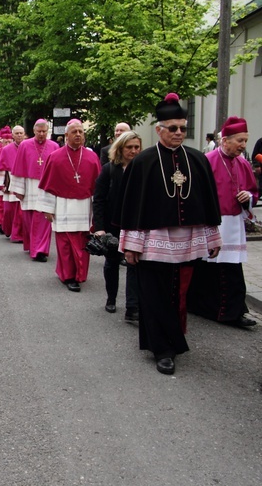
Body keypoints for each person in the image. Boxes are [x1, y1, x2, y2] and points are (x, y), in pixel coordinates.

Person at [116, 93, 222, 375]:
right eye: (172, 128)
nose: (178, 133)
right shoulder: (144, 162)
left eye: (182, 128)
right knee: (155, 295)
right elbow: (133, 208)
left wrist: (213, 238)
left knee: (180, 293)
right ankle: (162, 348)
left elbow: (208, 203)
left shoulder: (198, 160)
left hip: (187, 241)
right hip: (153, 243)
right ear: (159, 129)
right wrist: (131, 246)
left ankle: (174, 339)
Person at [187, 116, 258, 327]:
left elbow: (254, 191)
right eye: (240, 141)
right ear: (225, 140)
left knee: (232, 269)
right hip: (212, 223)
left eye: (246, 140)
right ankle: (203, 307)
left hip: (234, 224)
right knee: (208, 268)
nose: (243, 145)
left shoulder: (243, 163)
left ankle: (233, 312)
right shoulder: (207, 160)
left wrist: (249, 197)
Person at [37, 119, 101, 292]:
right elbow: (49, 185)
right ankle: (68, 276)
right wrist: (48, 209)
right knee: (65, 244)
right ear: (66, 135)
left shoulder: (92, 157)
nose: (78, 135)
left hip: (84, 208)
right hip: (62, 207)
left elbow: (98, 189)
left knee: (82, 243)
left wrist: (98, 213)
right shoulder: (56, 157)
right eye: (74, 132)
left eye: (81, 131)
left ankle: (80, 274)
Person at [93, 131, 142, 320]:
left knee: (134, 264)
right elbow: (98, 199)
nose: (134, 151)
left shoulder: (143, 168)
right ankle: (111, 298)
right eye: (129, 147)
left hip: (137, 225)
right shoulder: (109, 169)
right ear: (120, 149)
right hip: (114, 223)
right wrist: (99, 227)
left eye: (137, 147)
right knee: (112, 263)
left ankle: (132, 306)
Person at [11, 119, 59, 262]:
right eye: (39, 131)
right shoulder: (25, 145)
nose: (42, 134)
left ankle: (40, 250)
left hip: (47, 187)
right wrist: (18, 189)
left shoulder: (54, 146)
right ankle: (31, 245)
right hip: (29, 185)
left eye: (44, 131)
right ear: (34, 131)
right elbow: (19, 167)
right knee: (29, 219)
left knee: (44, 219)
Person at [0, 125, 25, 241]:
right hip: (10, 182)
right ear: (13, 135)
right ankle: (8, 230)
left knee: (21, 213)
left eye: (21, 133)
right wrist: (0, 184)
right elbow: (1, 167)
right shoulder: (6, 150)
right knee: (9, 211)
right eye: (17, 133)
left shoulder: (28, 147)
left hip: (24, 182)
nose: (19, 135)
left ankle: (18, 235)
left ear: (24, 135)